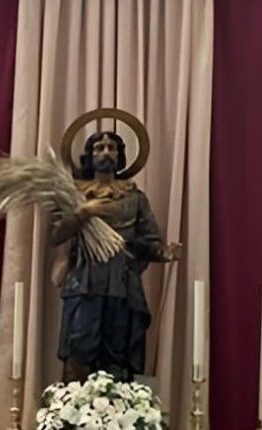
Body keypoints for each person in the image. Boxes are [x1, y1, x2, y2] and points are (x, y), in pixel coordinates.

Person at [53, 130, 181, 381]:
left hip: (122, 285)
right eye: (98, 148)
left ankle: (120, 411)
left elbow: (146, 242)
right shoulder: (74, 196)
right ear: (89, 155)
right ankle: (72, 412)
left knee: (118, 352)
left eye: (112, 147)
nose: (105, 152)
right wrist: (83, 213)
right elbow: (57, 234)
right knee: (80, 347)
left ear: (120, 155)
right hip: (84, 282)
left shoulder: (134, 198)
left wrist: (163, 253)